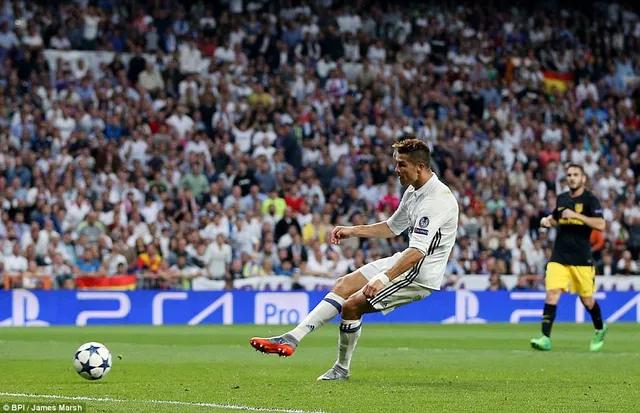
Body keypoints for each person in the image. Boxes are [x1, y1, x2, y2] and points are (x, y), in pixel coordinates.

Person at [249, 138, 459, 380]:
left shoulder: (436, 200)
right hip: (406, 260)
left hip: (419, 273)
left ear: (419, 167)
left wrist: (382, 278)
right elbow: (393, 227)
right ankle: (292, 338)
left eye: (401, 164)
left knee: (351, 305)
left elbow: (418, 252)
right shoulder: (413, 191)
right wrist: (353, 230)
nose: (396, 169)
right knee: (343, 285)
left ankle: (341, 368)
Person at [530, 164, 607, 352]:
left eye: (575, 175)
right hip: (559, 256)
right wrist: (548, 221)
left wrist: (576, 215)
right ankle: (545, 338)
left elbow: (601, 224)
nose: (571, 178)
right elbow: (557, 218)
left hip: (582, 258)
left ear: (583, 178)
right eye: (569, 175)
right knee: (552, 293)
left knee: (587, 300)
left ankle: (600, 328)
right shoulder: (562, 198)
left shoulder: (590, 200)